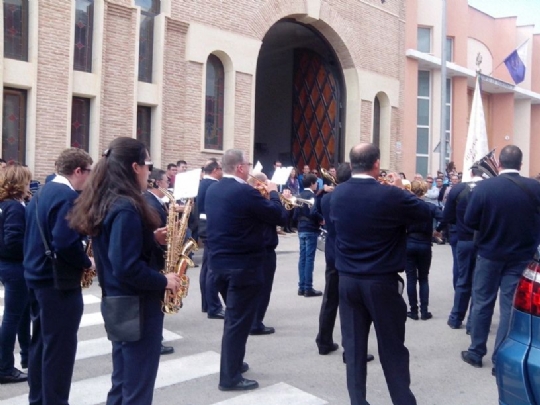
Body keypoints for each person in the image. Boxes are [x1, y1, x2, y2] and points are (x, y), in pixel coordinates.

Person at [69, 137, 181, 404]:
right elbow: (126, 267)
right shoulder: (126, 206)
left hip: (119, 302)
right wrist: (163, 280)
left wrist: (150, 239)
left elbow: (114, 250)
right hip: (137, 306)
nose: (149, 172)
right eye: (147, 165)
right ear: (134, 166)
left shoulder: (108, 200)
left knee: (123, 382)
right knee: (137, 387)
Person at [331, 143, 431, 405]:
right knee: (392, 347)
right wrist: (400, 189)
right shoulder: (390, 195)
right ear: (377, 164)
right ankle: (402, 400)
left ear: (352, 165)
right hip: (381, 281)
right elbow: (426, 214)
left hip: (348, 280)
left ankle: (358, 401)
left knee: (353, 348)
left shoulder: (336, 194)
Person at [205, 149, 283, 391]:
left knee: (234, 319)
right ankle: (229, 377)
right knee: (237, 323)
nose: (249, 168)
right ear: (239, 168)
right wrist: (273, 192)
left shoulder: (213, 189)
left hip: (219, 265)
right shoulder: (245, 191)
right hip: (242, 267)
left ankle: (234, 363)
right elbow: (277, 215)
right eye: (247, 165)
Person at [23, 147, 94, 404]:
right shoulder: (66, 196)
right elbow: (64, 242)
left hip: (37, 277)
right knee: (60, 351)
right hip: (58, 282)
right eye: (89, 172)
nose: (90, 179)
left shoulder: (41, 192)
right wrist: (87, 262)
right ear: (78, 171)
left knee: (40, 344)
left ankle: (39, 399)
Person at [461, 145, 540, 372]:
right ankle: (501, 358)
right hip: (520, 256)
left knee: (482, 303)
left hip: (489, 253)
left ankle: (476, 352)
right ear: (521, 164)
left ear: (500, 164)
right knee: (510, 307)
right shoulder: (535, 188)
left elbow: (470, 221)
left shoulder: (484, 188)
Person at [316, 163, 376, 362]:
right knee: (349, 305)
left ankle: (323, 341)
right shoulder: (352, 197)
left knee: (329, 299)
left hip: (332, 253)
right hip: (349, 255)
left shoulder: (326, 198)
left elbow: (316, 213)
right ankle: (350, 349)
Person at [444, 165, 486, 331]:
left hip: (464, 239)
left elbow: (447, 216)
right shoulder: (487, 189)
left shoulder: (458, 189)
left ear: (470, 173)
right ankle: (473, 322)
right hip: (483, 241)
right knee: (479, 283)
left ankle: (456, 318)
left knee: (463, 280)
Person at [0, 164, 32, 384]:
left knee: (20, 315)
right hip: (15, 266)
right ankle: (4, 367)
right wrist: (32, 249)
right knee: (12, 318)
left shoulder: (7, 204)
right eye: (27, 181)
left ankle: (27, 356)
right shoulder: (14, 207)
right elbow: (13, 241)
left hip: (8, 265)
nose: (29, 184)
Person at [247, 172, 288, 335]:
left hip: (253, 248)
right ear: (260, 184)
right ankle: (256, 323)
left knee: (253, 288)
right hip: (264, 249)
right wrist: (274, 195)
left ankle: (252, 320)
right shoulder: (261, 201)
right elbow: (281, 217)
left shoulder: (250, 198)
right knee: (263, 289)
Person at [144, 168, 176, 356]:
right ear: (157, 182)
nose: (168, 184)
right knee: (156, 301)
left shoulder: (156, 201)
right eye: (165, 181)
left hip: (159, 251)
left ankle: (157, 338)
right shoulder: (149, 202)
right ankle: (156, 340)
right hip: (156, 255)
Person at [405, 180, 443, 321]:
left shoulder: (407, 207)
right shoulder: (430, 207)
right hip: (425, 243)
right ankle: (424, 311)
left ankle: (413, 311)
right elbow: (443, 218)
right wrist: (437, 230)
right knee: (423, 278)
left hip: (409, 241)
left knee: (410, 278)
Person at [197, 158, 226, 319]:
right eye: (221, 169)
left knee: (206, 269)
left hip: (204, 227)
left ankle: (207, 303)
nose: (222, 172)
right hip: (212, 228)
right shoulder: (212, 186)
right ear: (215, 170)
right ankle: (213, 307)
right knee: (211, 270)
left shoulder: (202, 184)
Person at [296, 173, 323, 297]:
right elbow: (314, 212)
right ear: (312, 183)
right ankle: (308, 287)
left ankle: (301, 286)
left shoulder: (299, 195)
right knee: (309, 258)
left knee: (302, 258)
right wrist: (321, 219)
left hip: (301, 228)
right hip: (310, 228)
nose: (316, 184)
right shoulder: (312, 196)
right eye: (316, 182)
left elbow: (295, 214)